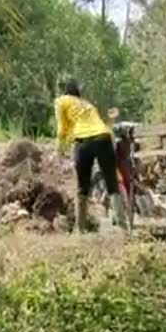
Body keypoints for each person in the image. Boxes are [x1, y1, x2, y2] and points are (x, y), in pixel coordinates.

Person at [55, 79, 127, 232]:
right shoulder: (87, 104)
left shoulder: (61, 101)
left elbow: (62, 129)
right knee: (112, 183)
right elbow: (99, 124)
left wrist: (60, 149)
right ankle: (123, 227)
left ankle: (80, 229)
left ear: (65, 92)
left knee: (82, 187)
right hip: (104, 138)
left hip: (84, 142)